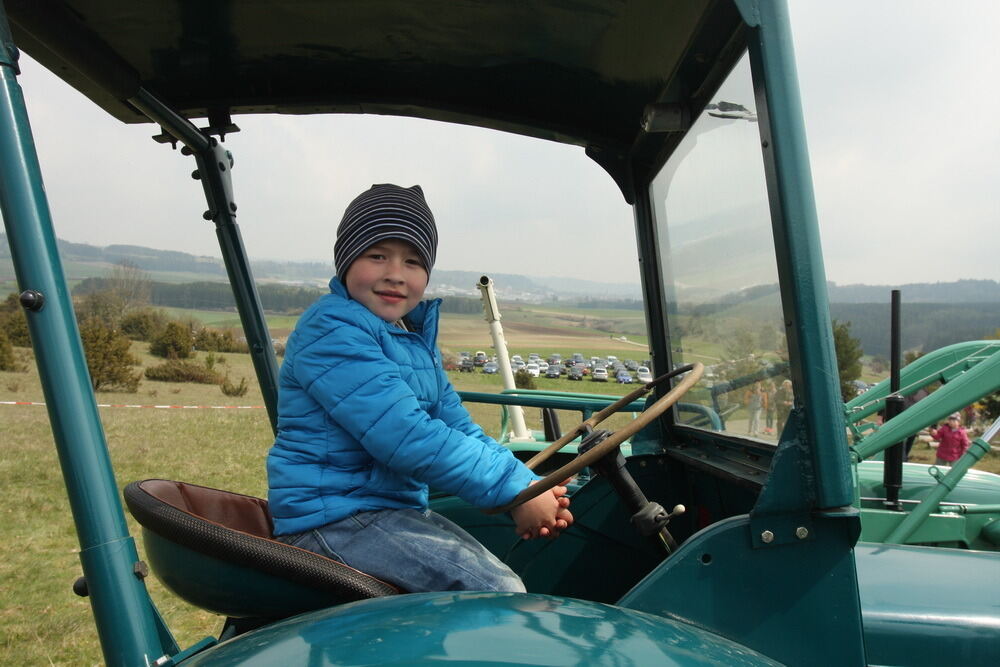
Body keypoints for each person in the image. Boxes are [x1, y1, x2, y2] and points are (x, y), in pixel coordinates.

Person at [267, 184, 572, 594]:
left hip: (382, 511)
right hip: (332, 520)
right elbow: (408, 436)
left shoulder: (408, 338)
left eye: (413, 261)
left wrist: (526, 484)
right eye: (377, 256)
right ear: (346, 260)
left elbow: (458, 427)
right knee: (497, 592)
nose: (395, 273)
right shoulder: (332, 330)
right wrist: (513, 487)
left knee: (499, 574)